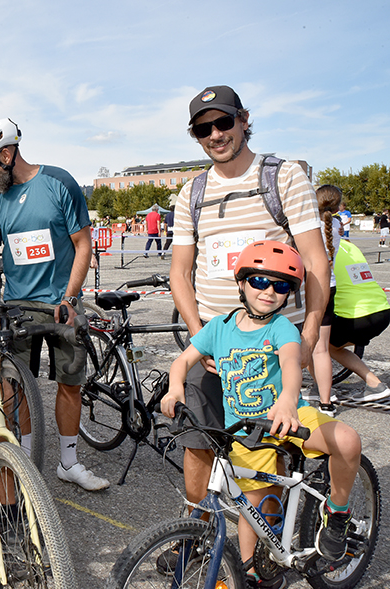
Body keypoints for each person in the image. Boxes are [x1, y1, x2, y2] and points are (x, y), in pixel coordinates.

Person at [167, 85, 330, 571]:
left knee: (265, 457)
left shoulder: (285, 178)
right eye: (203, 128)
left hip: (272, 346)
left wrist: (309, 333)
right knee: (198, 445)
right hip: (216, 343)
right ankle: (196, 533)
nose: (215, 134)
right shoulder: (191, 192)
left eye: (224, 122)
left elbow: (317, 263)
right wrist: (202, 333)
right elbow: (179, 272)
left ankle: (262, 553)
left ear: (243, 119)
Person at [163, 241, 361, 587]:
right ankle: (250, 572)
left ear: (289, 294)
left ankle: (338, 513)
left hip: (289, 418)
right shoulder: (220, 327)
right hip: (247, 432)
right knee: (253, 510)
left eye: (281, 285)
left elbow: (290, 363)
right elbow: (182, 361)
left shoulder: (281, 328)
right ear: (241, 284)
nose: (269, 291)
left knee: (347, 440)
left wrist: (287, 398)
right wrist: (175, 387)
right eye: (259, 282)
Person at [0, 118, 110, 491]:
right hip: (18, 306)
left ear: (8, 154)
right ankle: (27, 460)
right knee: (16, 384)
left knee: (69, 383)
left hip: (61, 304)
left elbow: (83, 244)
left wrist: (71, 296)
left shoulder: (58, 182)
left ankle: (69, 462)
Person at [329, 238, 390, 400]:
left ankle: (320, 391)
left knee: (315, 344)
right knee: (333, 346)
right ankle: (375, 385)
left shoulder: (319, 246)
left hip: (354, 316)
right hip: (381, 309)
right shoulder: (347, 244)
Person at [300, 185, 342, 416]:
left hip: (309, 287)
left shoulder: (308, 224)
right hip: (330, 285)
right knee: (321, 349)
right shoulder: (335, 224)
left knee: (299, 343)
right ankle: (327, 401)